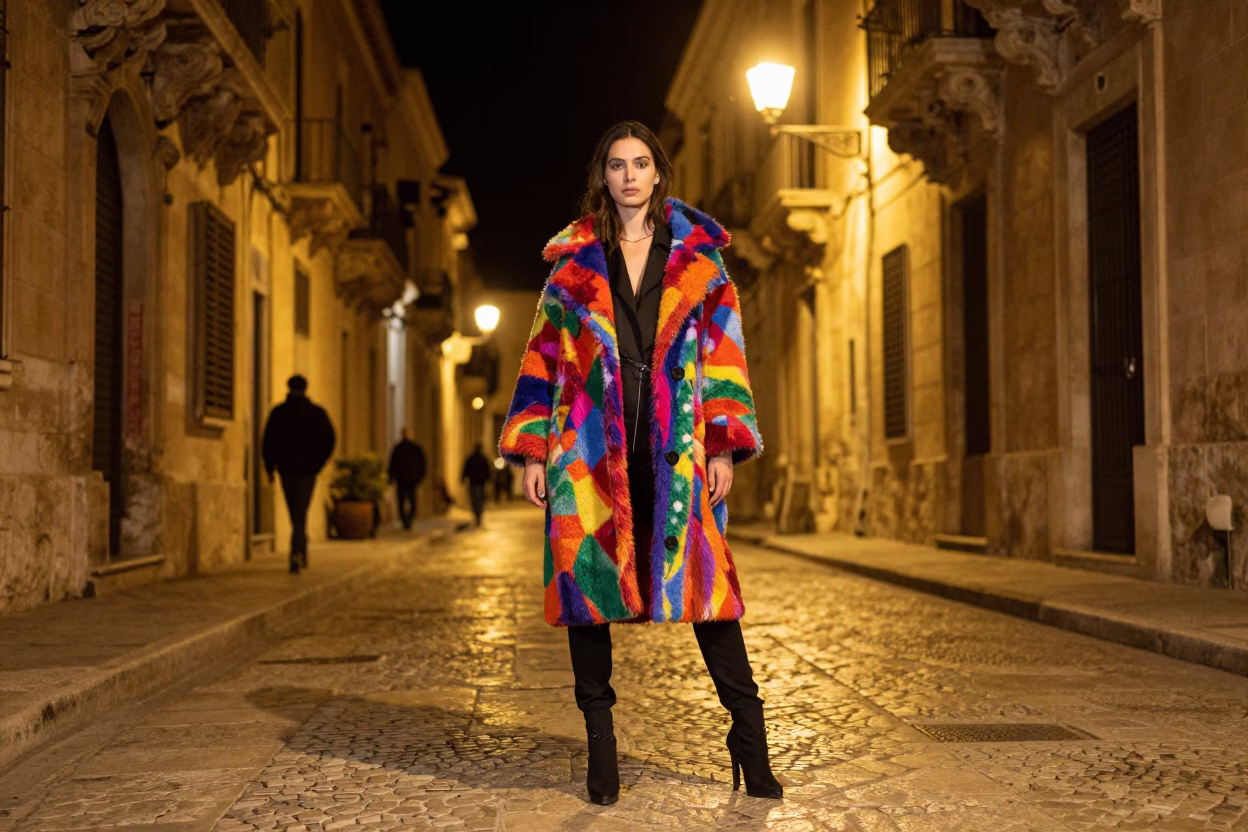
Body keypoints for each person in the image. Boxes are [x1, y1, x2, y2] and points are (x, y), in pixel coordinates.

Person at [497, 121, 780, 805]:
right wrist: (535, 448)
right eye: (617, 165)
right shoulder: (570, 270)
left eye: (641, 163)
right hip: (590, 451)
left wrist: (722, 443)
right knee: (589, 593)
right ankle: (601, 747)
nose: (629, 175)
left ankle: (749, 738)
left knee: (710, 595)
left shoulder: (702, 267)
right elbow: (541, 361)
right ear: (604, 176)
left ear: (658, 175)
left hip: (676, 447)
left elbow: (725, 359)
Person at [262, 374, 336, 574]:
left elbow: (268, 443)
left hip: (287, 470)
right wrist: (318, 463)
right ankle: (300, 548)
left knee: (295, 512)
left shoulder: (278, 413)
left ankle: (296, 552)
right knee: (299, 512)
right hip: (307, 471)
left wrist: (270, 468)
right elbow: (329, 440)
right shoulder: (317, 413)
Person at [387, 429, 427, 530]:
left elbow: (392, 464)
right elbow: (422, 463)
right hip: (410, 479)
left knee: (402, 500)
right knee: (411, 499)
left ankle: (405, 519)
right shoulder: (414, 448)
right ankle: (408, 519)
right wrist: (421, 476)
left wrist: (391, 477)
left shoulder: (398, 448)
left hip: (402, 479)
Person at [460, 444, 492, 527]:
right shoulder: (482, 459)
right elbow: (487, 471)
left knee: (475, 500)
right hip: (479, 484)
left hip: (475, 483)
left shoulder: (472, 459)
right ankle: (478, 516)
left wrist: (463, 478)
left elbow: (465, 469)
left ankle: (477, 515)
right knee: (478, 500)